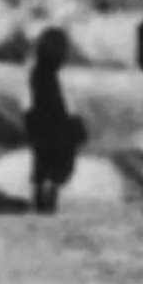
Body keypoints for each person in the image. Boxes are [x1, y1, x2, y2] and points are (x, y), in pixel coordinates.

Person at [25, 28, 86, 215]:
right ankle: (46, 196)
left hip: (40, 125)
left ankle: (41, 197)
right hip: (51, 126)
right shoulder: (45, 76)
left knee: (43, 165)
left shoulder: (40, 74)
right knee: (56, 164)